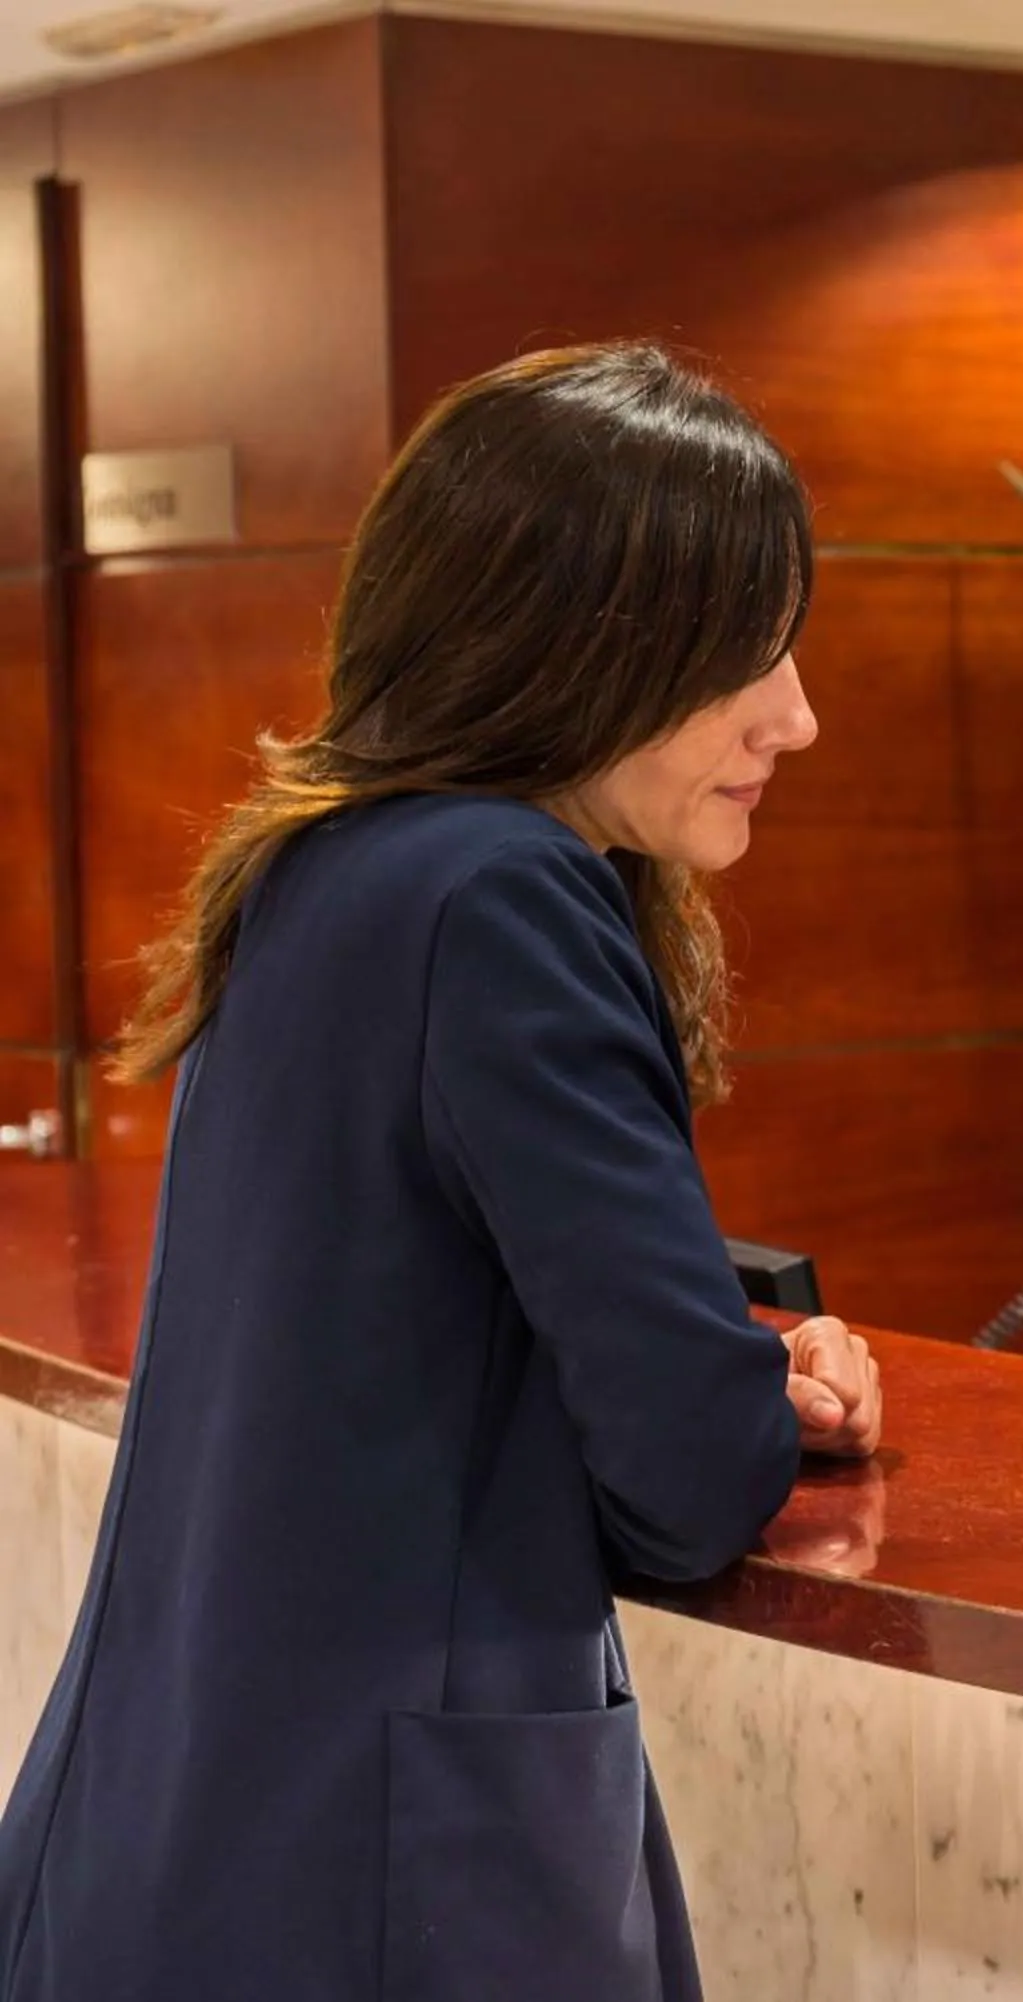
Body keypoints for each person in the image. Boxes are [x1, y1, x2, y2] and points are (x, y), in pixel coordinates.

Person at [0, 343, 882, 2002]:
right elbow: (687, 1474)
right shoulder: (506, 898)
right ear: (579, 639)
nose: (796, 713)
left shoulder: (329, 861)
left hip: (197, 1820)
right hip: (387, 1871)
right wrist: (754, 1393)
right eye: (745, 650)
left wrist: (715, 1366)